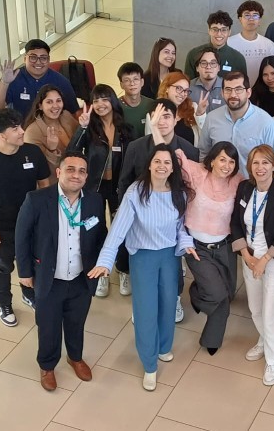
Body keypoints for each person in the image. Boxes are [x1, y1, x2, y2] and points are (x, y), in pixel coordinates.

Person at [87, 143, 199, 392]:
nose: (162, 166)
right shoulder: (135, 193)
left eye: (167, 163)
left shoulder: (178, 193)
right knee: (146, 308)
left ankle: (163, 346)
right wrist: (105, 262)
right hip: (144, 257)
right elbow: (117, 231)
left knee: (169, 302)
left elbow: (181, 228)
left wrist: (187, 244)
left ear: (173, 168)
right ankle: (149, 364)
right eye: (157, 161)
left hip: (170, 256)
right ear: (149, 164)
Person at [151, 113, 242, 355]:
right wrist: (155, 129)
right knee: (219, 296)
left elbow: (263, 179)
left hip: (225, 246)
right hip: (196, 246)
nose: (226, 166)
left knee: (228, 294)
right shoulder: (196, 173)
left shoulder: (237, 182)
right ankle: (205, 321)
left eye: (231, 162)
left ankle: (203, 313)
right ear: (212, 160)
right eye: (222, 160)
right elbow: (168, 153)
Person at [15, 152, 107, 391]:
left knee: (77, 322)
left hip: (81, 278)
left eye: (82, 171)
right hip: (48, 278)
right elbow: (21, 237)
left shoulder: (95, 201)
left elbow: (101, 237)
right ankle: (47, 365)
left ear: (86, 177)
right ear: (58, 173)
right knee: (48, 325)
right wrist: (24, 271)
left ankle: (75, 358)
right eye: (70, 169)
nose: (76, 175)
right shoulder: (37, 200)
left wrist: (102, 264)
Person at [118, 100, 199, 309]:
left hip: (172, 219)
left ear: (176, 118)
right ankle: (143, 304)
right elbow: (125, 181)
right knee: (143, 266)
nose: (161, 121)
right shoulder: (136, 147)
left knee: (173, 264)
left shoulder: (189, 150)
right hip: (142, 221)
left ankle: (175, 298)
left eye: (166, 116)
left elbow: (190, 186)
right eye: (156, 116)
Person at [0, 109, 50, 326]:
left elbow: (44, 184)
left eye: (20, 126)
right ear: (2, 135)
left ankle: (29, 293)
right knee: (4, 265)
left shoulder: (33, 153)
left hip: (32, 222)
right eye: (15, 128)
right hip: (3, 225)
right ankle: (4, 302)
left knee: (32, 262)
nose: (22, 131)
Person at [230, 145, 274, 386]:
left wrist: (264, 260)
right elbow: (236, 224)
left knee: (271, 315)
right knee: (255, 309)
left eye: (265, 163)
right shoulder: (244, 188)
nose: (260, 168)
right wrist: (247, 257)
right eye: (256, 163)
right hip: (250, 258)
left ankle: (273, 361)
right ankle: (263, 340)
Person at [69, 84, 133, 296]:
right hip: (95, 187)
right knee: (95, 228)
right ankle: (101, 271)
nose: (100, 104)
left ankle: (123, 269)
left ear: (113, 101)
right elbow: (72, 152)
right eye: (95, 100)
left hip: (119, 187)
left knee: (120, 229)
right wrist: (83, 127)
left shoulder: (125, 129)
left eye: (104, 99)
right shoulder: (91, 128)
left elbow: (132, 160)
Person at [199, 71, 274, 176]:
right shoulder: (212, 118)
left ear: (248, 92)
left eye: (238, 90)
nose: (233, 95)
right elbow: (204, 155)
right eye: (228, 90)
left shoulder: (265, 122)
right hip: (218, 188)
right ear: (222, 93)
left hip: (251, 188)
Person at [0, 39, 79, 117]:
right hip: (22, 131)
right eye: (33, 57)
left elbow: (72, 113)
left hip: (53, 129)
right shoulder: (14, 78)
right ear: (25, 59)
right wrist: (4, 82)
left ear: (48, 60)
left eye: (43, 58)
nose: (38, 62)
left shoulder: (61, 81)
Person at [23, 84, 79, 184]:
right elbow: (38, 168)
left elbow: (80, 141)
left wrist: (84, 125)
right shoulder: (32, 133)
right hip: (53, 185)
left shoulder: (65, 115)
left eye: (58, 100)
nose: (55, 106)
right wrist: (51, 150)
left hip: (76, 179)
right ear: (40, 106)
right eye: (49, 102)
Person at [150, 71, 208, 145]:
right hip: (164, 155)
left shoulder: (193, 107)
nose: (183, 94)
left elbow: (205, 136)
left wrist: (200, 114)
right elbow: (150, 139)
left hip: (189, 155)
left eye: (186, 90)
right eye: (178, 88)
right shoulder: (155, 110)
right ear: (167, 88)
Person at [185, 11, 247, 79]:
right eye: (215, 29)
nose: (219, 34)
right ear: (209, 30)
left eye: (224, 30)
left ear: (229, 32)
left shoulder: (238, 58)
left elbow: (243, 86)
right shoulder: (194, 54)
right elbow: (188, 84)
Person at [227, 0, 274, 83]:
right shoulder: (229, 43)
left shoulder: (269, 45)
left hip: (262, 91)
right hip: (236, 90)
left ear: (260, 20)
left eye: (255, 15)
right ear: (240, 19)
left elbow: (273, 70)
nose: (251, 19)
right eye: (247, 15)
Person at [118, 62, 156, 140]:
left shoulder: (152, 104)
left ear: (142, 82)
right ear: (121, 85)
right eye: (127, 80)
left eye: (135, 79)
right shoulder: (116, 106)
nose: (132, 83)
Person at [188, 46, 225, 113]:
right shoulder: (188, 88)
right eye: (204, 63)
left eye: (213, 63)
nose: (208, 67)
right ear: (197, 68)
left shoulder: (227, 87)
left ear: (219, 68)